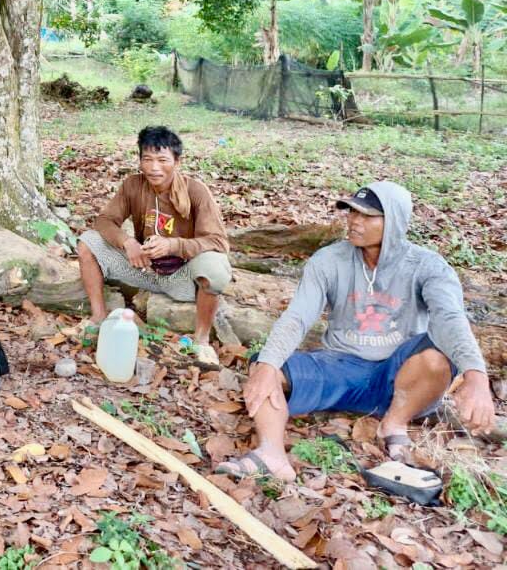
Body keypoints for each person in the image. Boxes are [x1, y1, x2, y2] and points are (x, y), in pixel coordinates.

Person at [216, 181, 494, 480]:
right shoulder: (329, 260)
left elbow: (449, 317)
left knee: (436, 357)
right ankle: (271, 454)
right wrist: (269, 364)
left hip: (400, 375)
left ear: (395, 221)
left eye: (367, 216)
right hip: (340, 366)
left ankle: (394, 424)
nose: (354, 221)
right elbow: (298, 315)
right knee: (266, 367)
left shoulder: (427, 266)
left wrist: (476, 376)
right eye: (351, 213)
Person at [76, 126, 232, 363]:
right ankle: (98, 317)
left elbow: (218, 241)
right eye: (147, 159)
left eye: (162, 160)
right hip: (144, 269)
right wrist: (127, 242)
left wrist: (172, 246)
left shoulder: (196, 191)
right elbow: (104, 221)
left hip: (182, 278)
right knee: (88, 241)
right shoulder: (133, 185)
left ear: (177, 162)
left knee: (215, 267)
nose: (154, 167)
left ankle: (201, 340)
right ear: (139, 161)